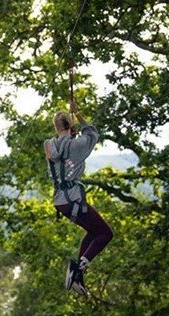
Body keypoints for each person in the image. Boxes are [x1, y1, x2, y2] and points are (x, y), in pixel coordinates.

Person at [44, 99, 113, 298]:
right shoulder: (78, 145)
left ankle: (77, 274)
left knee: (93, 231)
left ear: (56, 127)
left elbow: (61, 154)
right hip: (73, 198)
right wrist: (79, 115)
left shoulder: (48, 145)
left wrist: (70, 135)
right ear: (70, 125)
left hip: (60, 201)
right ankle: (78, 269)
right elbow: (92, 134)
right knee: (106, 234)